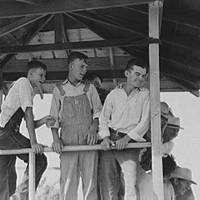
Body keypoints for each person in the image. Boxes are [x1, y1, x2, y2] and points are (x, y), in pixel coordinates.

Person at [49, 51, 102, 200]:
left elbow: (98, 112)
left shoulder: (89, 88)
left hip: (89, 143)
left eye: (86, 67)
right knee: (68, 184)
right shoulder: (59, 89)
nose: (84, 70)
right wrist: (55, 139)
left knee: (90, 183)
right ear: (71, 66)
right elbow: (53, 118)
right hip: (68, 144)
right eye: (81, 66)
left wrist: (93, 128)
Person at [0, 60, 54, 200]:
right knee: (39, 159)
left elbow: (31, 122)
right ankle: (20, 197)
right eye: (41, 75)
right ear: (30, 74)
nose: (44, 79)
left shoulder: (28, 91)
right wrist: (34, 143)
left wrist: (43, 120)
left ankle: (11, 196)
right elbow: (28, 114)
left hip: (6, 135)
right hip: (6, 132)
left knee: (7, 178)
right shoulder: (24, 82)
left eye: (45, 76)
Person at [98, 58, 150, 200]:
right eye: (137, 74)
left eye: (144, 76)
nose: (140, 78)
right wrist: (105, 138)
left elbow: (145, 122)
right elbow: (103, 118)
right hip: (111, 141)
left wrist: (127, 139)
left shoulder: (145, 95)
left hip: (130, 142)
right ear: (127, 73)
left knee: (130, 185)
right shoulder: (114, 94)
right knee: (108, 185)